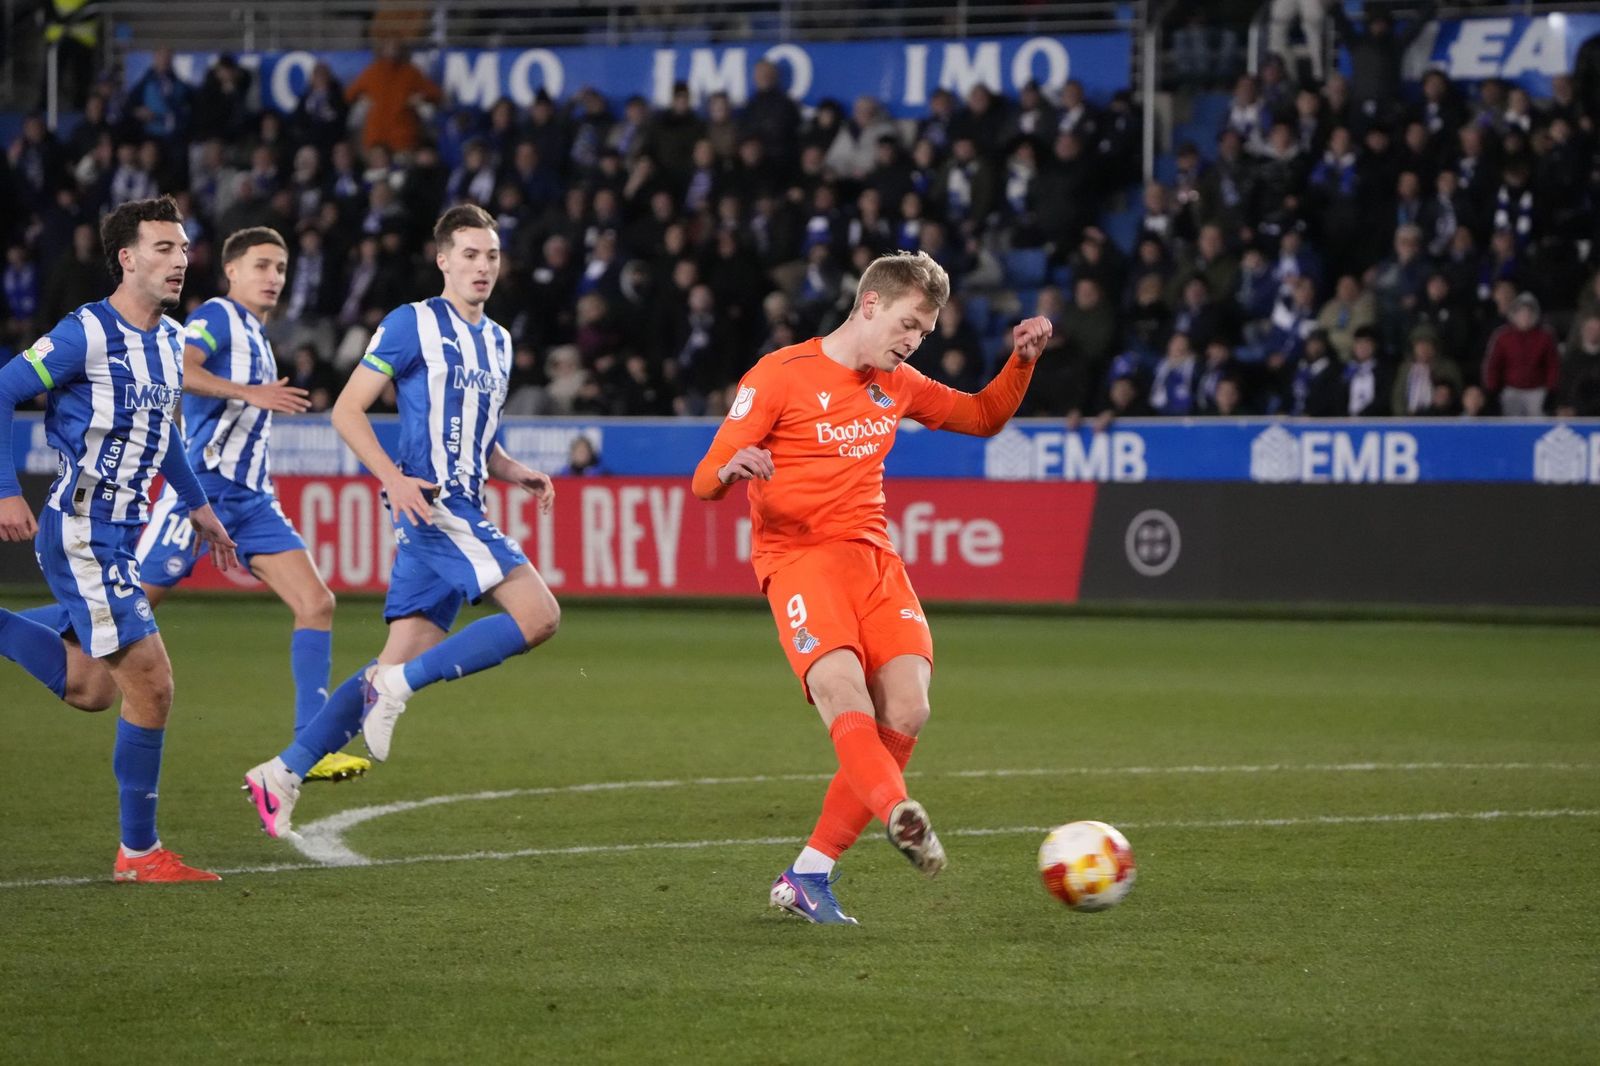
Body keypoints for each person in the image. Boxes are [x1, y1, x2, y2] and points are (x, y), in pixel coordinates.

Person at [691, 250, 1052, 924]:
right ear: (870, 305)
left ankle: (808, 875)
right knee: (841, 691)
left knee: (909, 710)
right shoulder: (778, 377)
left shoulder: (900, 383)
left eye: (925, 333)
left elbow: (980, 417)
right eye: (910, 325)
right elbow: (703, 479)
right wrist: (733, 465)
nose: (914, 341)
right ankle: (898, 813)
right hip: (798, 560)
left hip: (873, 560)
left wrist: (1022, 362)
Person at [243, 205, 559, 838]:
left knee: (397, 655)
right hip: (434, 508)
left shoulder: (498, 340)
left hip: (461, 502)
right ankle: (398, 686)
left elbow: (480, 442)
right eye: (469, 254)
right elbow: (348, 411)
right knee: (539, 616)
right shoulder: (411, 324)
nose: (482, 267)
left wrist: (514, 469)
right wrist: (390, 477)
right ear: (442, 259)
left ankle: (281, 773)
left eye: (491, 256)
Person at [0, 196, 237, 882]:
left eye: (184, 248)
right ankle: (138, 854)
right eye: (163, 248)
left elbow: (162, 434)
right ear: (126, 258)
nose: (179, 260)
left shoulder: (169, 338)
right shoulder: (85, 333)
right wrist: (7, 488)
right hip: (82, 531)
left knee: (91, 687)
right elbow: (4, 388)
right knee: (153, 684)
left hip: (119, 535)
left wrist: (198, 507)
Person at [131, 227, 365, 783]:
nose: (274, 278)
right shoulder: (216, 315)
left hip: (253, 500)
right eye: (262, 265)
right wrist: (250, 393)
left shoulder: (258, 335)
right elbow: (180, 371)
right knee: (114, 620)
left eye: (281, 268)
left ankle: (312, 746)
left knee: (316, 602)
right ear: (232, 271)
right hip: (202, 494)